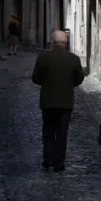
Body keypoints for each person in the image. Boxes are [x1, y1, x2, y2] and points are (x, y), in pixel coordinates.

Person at [32, 31, 85, 172]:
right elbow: (80, 78)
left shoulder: (43, 57)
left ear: (52, 41)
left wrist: (47, 82)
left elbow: (35, 78)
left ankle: (48, 158)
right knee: (62, 132)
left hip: (48, 100)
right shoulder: (73, 58)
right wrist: (68, 84)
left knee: (48, 129)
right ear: (66, 42)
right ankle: (59, 162)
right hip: (66, 100)